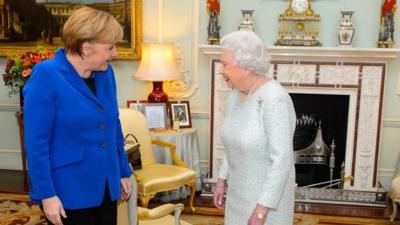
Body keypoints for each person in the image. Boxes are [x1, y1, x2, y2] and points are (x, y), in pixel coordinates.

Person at [23, 7, 132, 225]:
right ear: (86, 48)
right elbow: (37, 144)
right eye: (110, 47)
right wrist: (46, 195)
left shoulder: (105, 73)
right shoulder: (46, 76)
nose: (115, 53)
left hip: (106, 185)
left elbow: (113, 124)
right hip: (69, 190)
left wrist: (121, 170)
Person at [212, 31, 296, 225]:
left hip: (265, 203)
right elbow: (232, 142)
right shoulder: (235, 96)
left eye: (225, 64)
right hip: (237, 196)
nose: (221, 70)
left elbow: (282, 160)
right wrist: (221, 180)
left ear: (246, 67)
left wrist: (261, 210)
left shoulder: (276, 100)